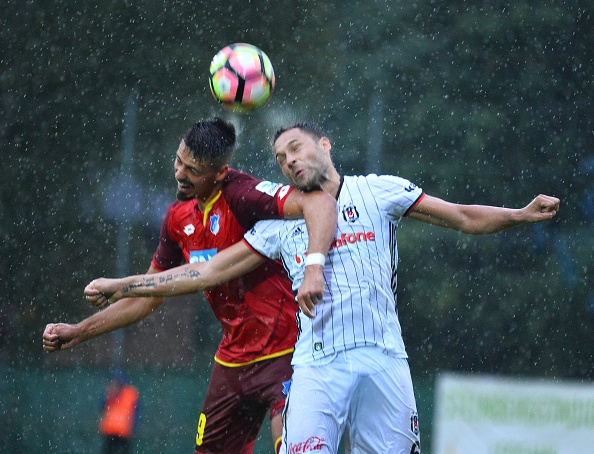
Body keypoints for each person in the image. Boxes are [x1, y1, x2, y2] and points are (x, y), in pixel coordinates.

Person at [82, 122, 560, 454]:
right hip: (315, 366)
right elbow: (203, 273)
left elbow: (461, 216)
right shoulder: (278, 221)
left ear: (325, 145)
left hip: (383, 359)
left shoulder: (380, 191)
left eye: (296, 147)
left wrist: (518, 215)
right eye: (280, 158)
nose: (289, 160)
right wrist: (125, 284)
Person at [42, 118, 338, 454]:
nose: (180, 174)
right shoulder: (176, 218)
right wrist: (78, 332)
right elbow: (147, 297)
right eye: (178, 161)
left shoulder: (242, 194)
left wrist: (315, 268)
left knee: (296, 448)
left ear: (221, 173)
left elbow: (317, 202)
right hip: (233, 361)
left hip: (288, 352)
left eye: (193, 170)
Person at [99, 370, 140, 454]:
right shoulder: (109, 393)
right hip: (110, 432)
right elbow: (102, 407)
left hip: (123, 433)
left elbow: (137, 413)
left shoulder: (130, 394)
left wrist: (134, 427)